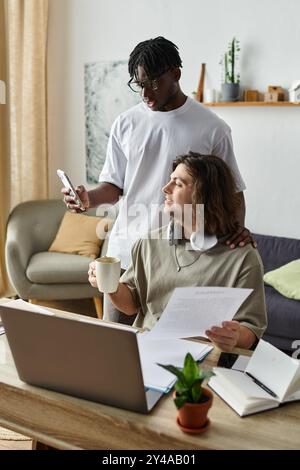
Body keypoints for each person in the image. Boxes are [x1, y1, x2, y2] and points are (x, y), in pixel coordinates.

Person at [63, 36, 253, 321]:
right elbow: (114, 186)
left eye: (153, 83)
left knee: (172, 355)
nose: (145, 93)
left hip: (183, 261)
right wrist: (90, 198)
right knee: (115, 349)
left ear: (175, 74)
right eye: (139, 84)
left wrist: (236, 230)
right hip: (125, 255)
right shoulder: (125, 123)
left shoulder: (213, 128)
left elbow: (233, 191)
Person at [89, 153, 267, 352]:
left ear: (204, 195)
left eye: (178, 183)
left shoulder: (242, 257)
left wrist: (234, 336)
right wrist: (111, 285)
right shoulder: (148, 243)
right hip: (146, 350)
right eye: (169, 180)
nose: (165, 189)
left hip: (204, 360)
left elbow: (250, 330)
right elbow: (131, 304)